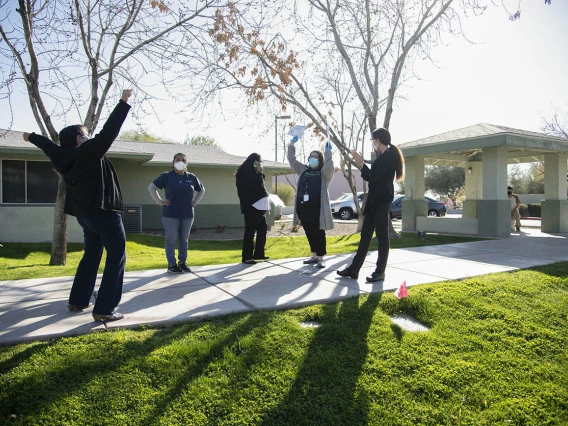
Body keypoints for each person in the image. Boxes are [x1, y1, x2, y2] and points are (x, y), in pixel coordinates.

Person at [23, 90, 134, 322]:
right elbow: (109, 132)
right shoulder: (88, 152)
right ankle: (105, 309)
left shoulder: (59, 155)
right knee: (116, 257)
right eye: (85, 133)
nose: (89, 135)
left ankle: (78, 300)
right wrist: (123, 102)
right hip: (105, 214)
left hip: (85, 217)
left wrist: (30, 136)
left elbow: (45, 144)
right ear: (78, 139)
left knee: (91, 255)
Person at [337, 127, 404, 282]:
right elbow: (374, 177)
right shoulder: (383, 155)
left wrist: (361, 163)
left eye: (373, 140)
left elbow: (373, 177)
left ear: (378, 140)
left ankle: (380, 272)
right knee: (365, 236)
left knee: (382, 237)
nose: (372, 142)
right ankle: (354, 269)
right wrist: (361, 163)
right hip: (373, 202)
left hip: (381, 202)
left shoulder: (389, 155)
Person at [148, 153, 205, 273]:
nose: (180, 161)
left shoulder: (191, 177)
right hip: (170, 214)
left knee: (184, 240)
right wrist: (160, 202)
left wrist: (195, 201)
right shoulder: (166, 176)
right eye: (178, 159)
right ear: (173, 162)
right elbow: (151, 188)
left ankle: (182, 262)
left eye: (183, 160)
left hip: (187, 214)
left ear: (186, 163)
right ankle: (171, 264)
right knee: (171, 239)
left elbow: (202, 189)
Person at [287, 139, 334, 268]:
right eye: (311, 156)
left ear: (320, 159)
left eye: (315, 157)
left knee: (318, 233)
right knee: (309, 232)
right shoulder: (303, 169)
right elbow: (292, 160)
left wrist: (328, 152)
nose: (312, 158)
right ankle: (314, 256)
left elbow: (330, 167)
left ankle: (320, 258)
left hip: (318, 209)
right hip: (303, 208)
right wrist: (291, 145)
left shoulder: (324, 173)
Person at [235, 153, 269, 264]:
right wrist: (260, 173)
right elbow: (257, 185)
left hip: (259, 206)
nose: (260, 164)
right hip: (252, 206)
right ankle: (247, 256)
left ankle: (259, 253)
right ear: (254, 162)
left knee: (262, 228)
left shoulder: (251, 172)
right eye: (258, 162)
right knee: (250, 231)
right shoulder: (246, 173)